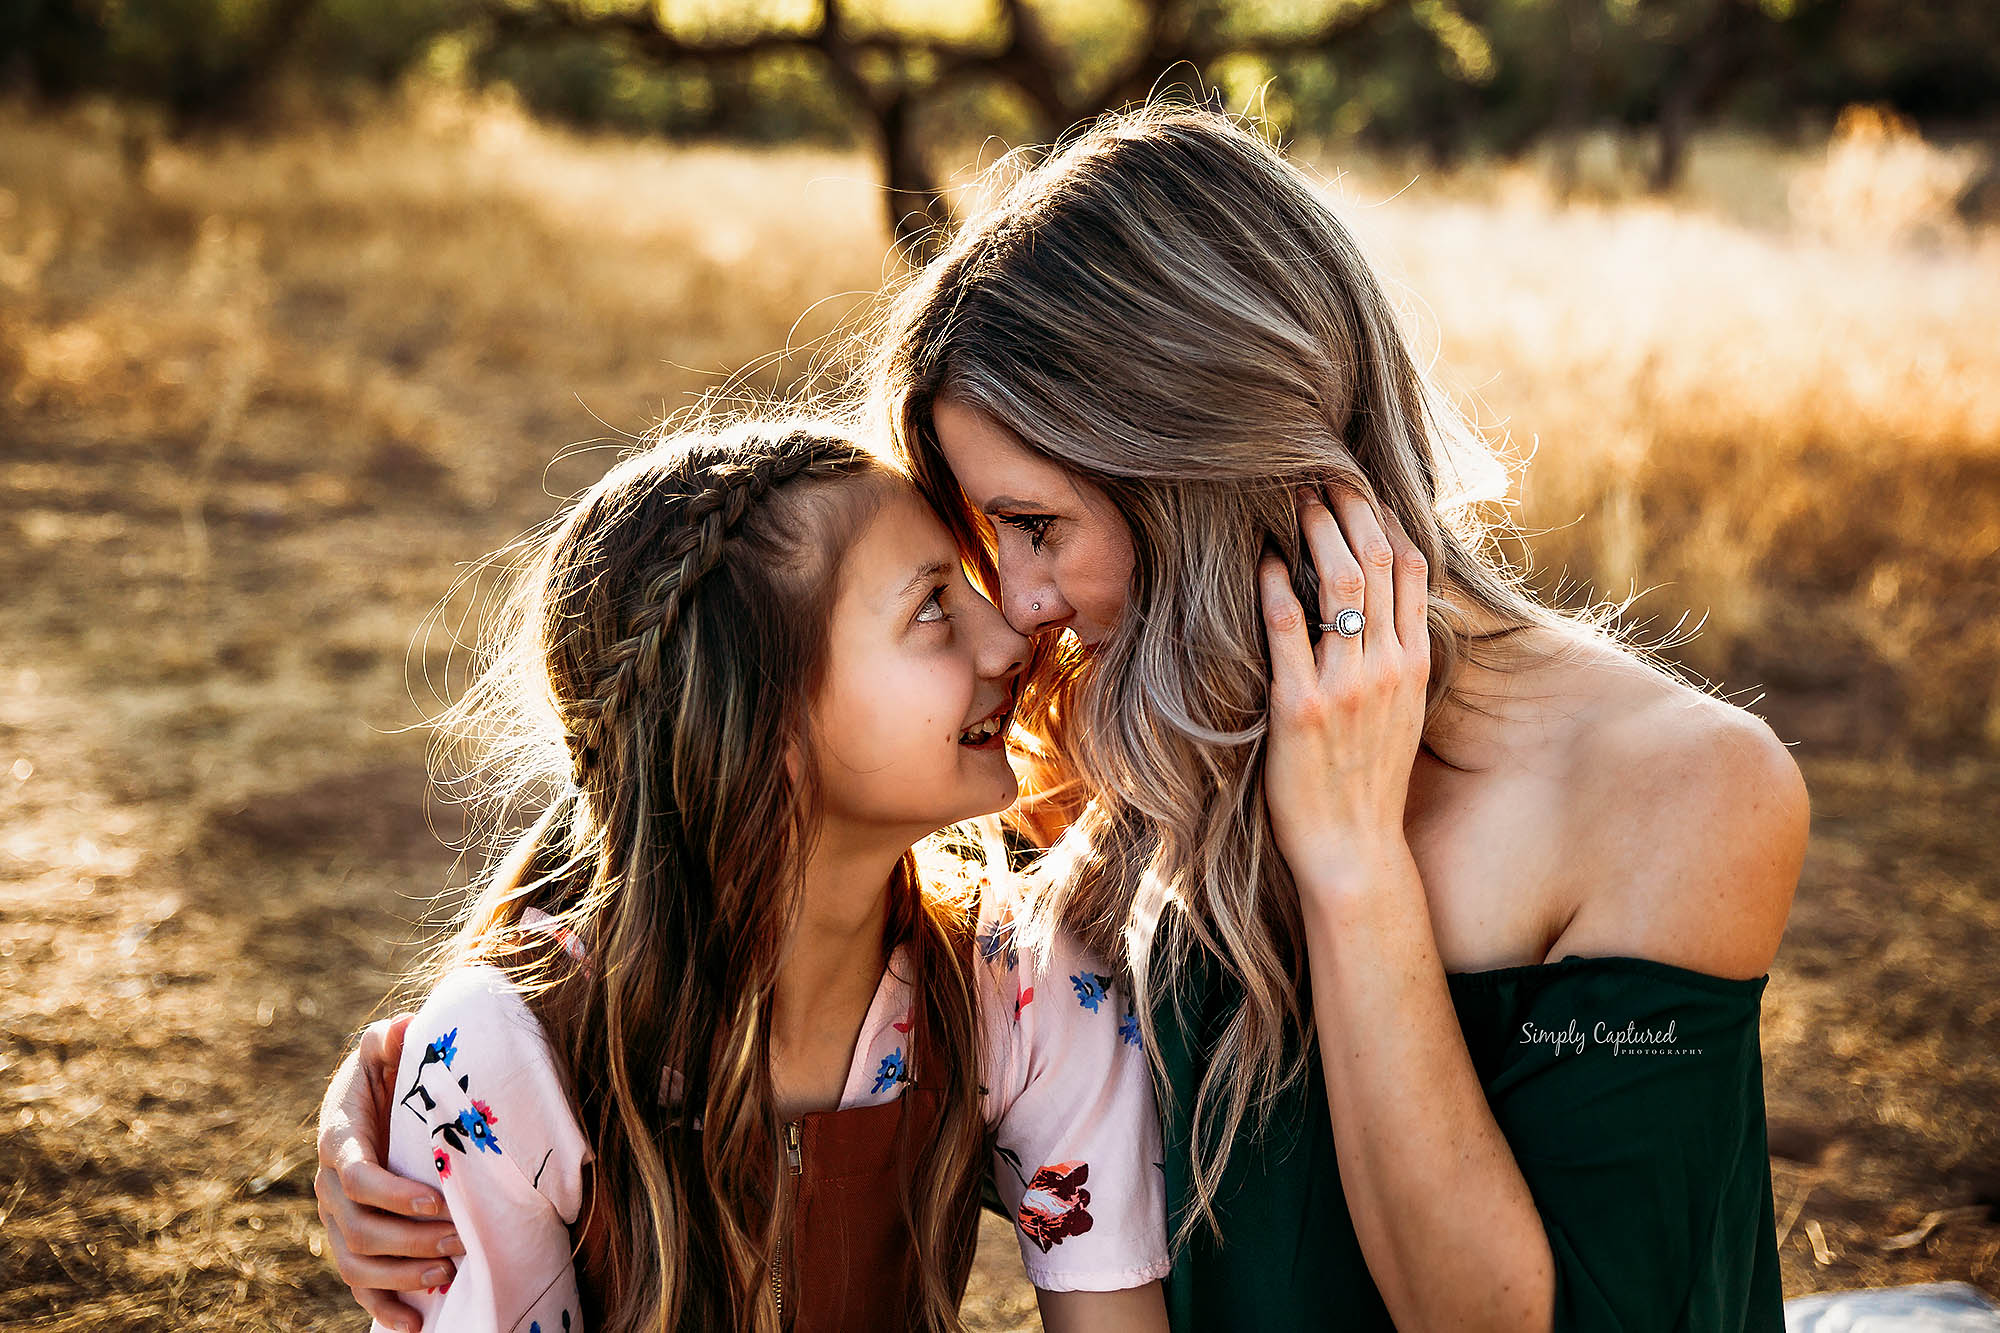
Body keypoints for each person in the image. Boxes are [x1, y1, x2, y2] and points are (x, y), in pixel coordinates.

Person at [320, 101, 1809, 1331]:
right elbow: (729, 841)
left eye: (1035, 526)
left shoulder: (1682, 790)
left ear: (1200, 462)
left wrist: (1353, 864)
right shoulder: (1128, 734)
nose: (1019, 607)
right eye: (980, 546)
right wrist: (416, 1103)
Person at [327, 417, 1170, 1333]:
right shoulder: (510, 1056)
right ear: (766, 724)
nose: (1010, 637)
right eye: (932, 606)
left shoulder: (1020, 982)